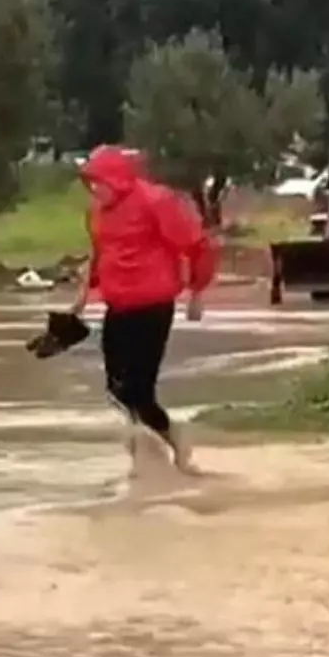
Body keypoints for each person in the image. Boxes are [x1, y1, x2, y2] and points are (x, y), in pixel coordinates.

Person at [71, 145, 217, 474]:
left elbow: (196, 245)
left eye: (100, 182)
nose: (95, 189)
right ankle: (147, 448)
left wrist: (197, 292)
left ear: (117, 179)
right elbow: (98, 253)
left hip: (153, 306)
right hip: (117, 306)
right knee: (116, 388)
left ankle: (167, 443)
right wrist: (82, 297)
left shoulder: (156, 202)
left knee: (138, 390)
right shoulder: (96, 212)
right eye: (90, 183)